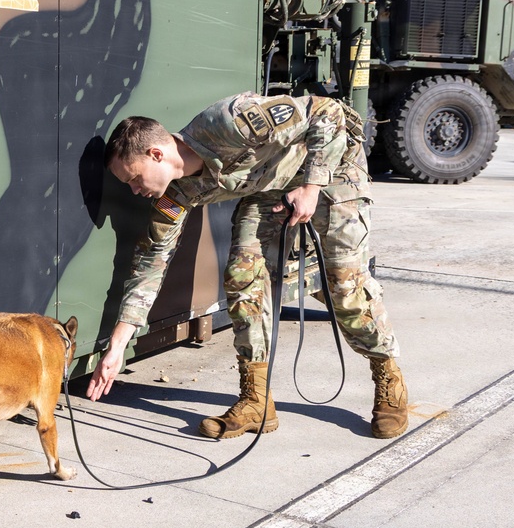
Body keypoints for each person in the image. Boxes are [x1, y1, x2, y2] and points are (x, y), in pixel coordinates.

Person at [85, 92, 409, 439]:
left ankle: (389, 378)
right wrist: (117, 346)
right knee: (243, 276)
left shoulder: (229, 123)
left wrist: (312, 188)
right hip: (269, 186)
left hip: (332, 167)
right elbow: (150, 263)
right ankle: (257, 400)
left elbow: (327, 113)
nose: (134, 190)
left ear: (156, 154)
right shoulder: (175, 195)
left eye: (134, 179)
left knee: (346, 290)